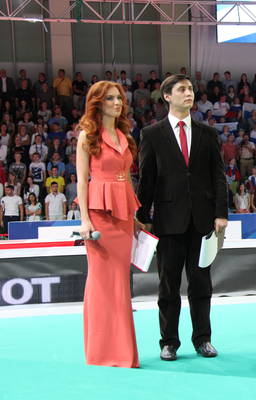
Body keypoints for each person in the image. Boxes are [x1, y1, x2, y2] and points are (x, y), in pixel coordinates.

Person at [136, 74, 228, 361]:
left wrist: (221, 213)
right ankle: (169, 342)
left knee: (201, 284)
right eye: (182, 89)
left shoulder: (207, 133)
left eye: (190, 89)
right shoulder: (152, 134)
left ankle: (203, 339)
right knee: (168, 286)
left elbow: (218, 176)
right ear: (167, 96)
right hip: (167, 222)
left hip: (202, 222)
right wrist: (142, 216)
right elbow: (146, 179)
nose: (189, 93)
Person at [76, 80, 142, 367]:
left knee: (120, 283)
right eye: (110, 99)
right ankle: (101, 352)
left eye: (119, 98)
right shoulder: (87, 136)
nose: (117, 103)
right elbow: (81, 181)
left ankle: (122, 351)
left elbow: (126, 178)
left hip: (124, 215)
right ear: (97, 103)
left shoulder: (124, 135)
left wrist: (134, 215)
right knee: (102, 282)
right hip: (99, 215)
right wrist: (85, 220)